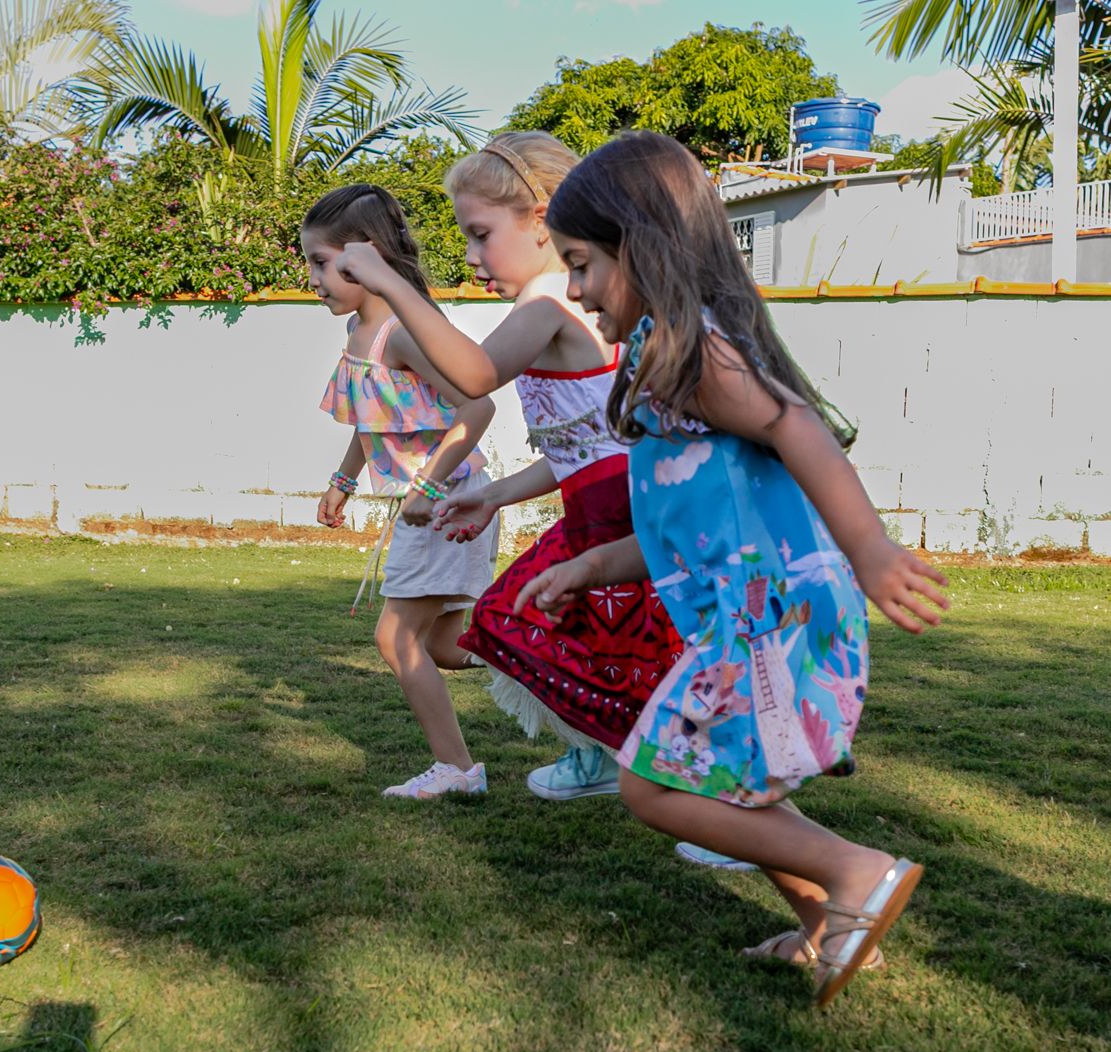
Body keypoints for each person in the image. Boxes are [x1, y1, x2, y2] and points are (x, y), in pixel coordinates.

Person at [520, 131, 950, 1006]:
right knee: (725, 779)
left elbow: (798, 426)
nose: (575, 290)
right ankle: (829, 920)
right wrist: (593, 564)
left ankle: (855, 870)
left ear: (641, 248)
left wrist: (870, 548)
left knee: (651, 783)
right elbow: (680, 519)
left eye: (582, 265)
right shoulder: (664, 354)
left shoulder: (700, 353)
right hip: (744, 618)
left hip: (774, 619)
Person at [337, 132, 741, 870]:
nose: (471, 256)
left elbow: (475, 374)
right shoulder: (570, 300)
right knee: (526, 630)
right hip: (597, 515)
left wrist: (392, 285)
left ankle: (744, 813)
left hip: (623, 523)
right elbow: (577, 449)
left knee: (652, 669)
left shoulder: (551, 297)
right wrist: (494, 495)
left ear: (542, 219)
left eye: (480, 233)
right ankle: (596, 753)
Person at [303, 184, 499, 798]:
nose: (313, 279)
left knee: (394, 638)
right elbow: (374, 420)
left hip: (448, 503)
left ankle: (457, 769)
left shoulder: (404, 333)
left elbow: (479, 406)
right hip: (427, 504)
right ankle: (546, 660)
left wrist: (427, 485)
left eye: (321, 262)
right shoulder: (360, 333)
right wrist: (343, 480)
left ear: (365, 255)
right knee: (443, 645)